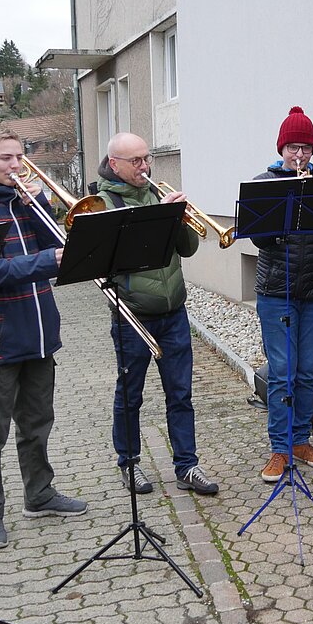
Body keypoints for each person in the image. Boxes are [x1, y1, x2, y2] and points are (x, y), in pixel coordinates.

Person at [0, 126, 87, 550]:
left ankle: (39, 493)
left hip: (40, 331)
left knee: (37, 424)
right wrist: (44, 260)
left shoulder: (23, 199)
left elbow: (62, 247)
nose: (17, 166)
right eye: (7, 159)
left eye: (20, 157)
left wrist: (40, 205)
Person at [96, 132, 218, 496]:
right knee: (130, 394)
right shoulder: (102, 204)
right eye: (136, 161)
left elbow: (189, 248)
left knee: (180, 394)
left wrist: (177, 217)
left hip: (173, 312)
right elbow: (103, 261)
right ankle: (129, 464)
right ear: (114, 164)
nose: (145, 166)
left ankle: (187, 466)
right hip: (132, 315)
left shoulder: (157, 194)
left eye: (147, 158)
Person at [252, 106, 313, 483]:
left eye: (306, 148)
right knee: (281, 374)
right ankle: (279, 449)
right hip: (276, 290)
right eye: (293, 147)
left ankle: (300, 442)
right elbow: (258, 238)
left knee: (307, 372)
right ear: (282, 148)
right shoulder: (264, 181)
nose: (299, 155)